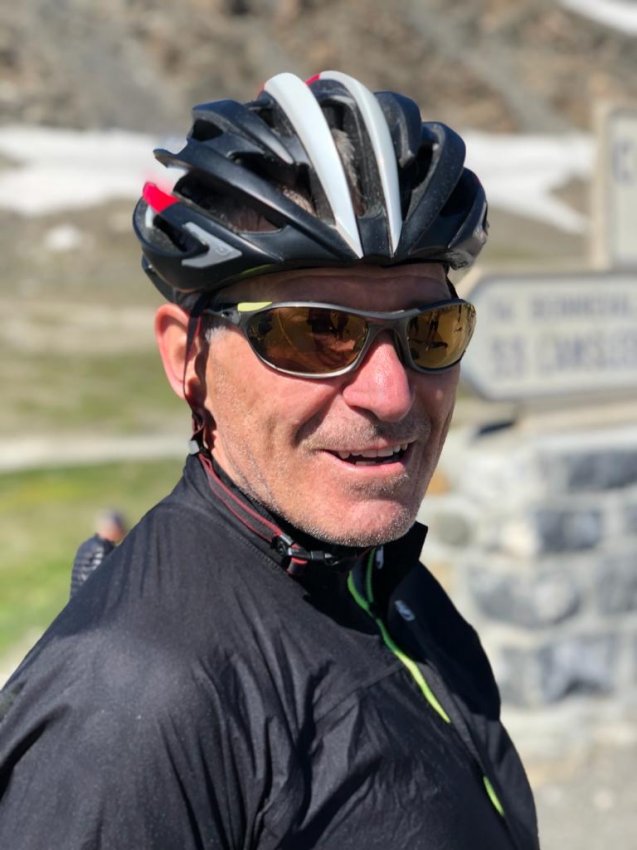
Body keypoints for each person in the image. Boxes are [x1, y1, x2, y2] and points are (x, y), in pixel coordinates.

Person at [0, 71, 539, 849]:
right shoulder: (129, 703)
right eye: (315, 332)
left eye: (431, 331)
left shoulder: (382, 575)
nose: (390, 394)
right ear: (186, 357)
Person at [69, 509, 127, 597]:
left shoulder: (87, 544)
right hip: (92, 601)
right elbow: (101, 580)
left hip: (78, 600)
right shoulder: (103, 548)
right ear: (114, 529)